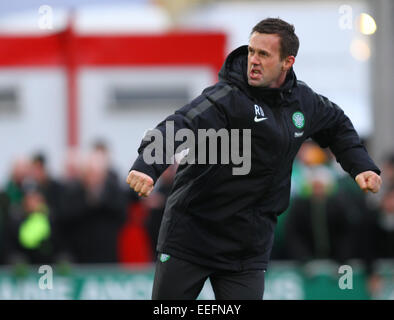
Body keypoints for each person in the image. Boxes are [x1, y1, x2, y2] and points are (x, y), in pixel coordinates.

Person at [126, 18, 382, 300]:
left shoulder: (304, 102)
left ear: (288, 61)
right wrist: (148, 165)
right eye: (251, 51)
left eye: (264, 54)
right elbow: (182, 122)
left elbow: (338, 126)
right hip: (191, 237)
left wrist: (361, 166)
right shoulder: (227, 97)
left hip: (247, 248)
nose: (254, 60)